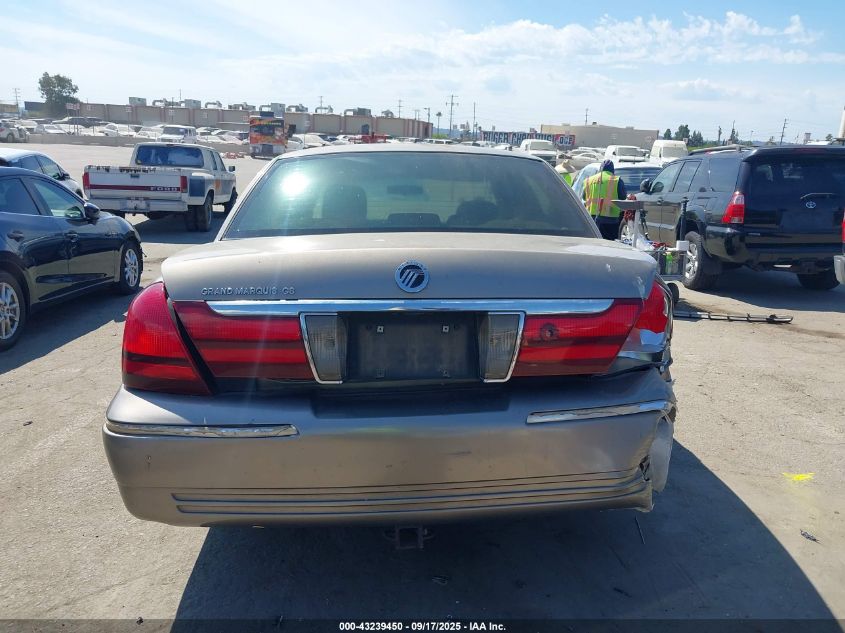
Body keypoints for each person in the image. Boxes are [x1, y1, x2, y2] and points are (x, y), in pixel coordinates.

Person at [582, 159, 627, 239]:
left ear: (600, 169)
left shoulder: (588, 180)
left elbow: (584, 197)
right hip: (610, 219)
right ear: (612, 170)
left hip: (591, 219)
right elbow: (623, 197)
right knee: (609, 244)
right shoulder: (616, 180)